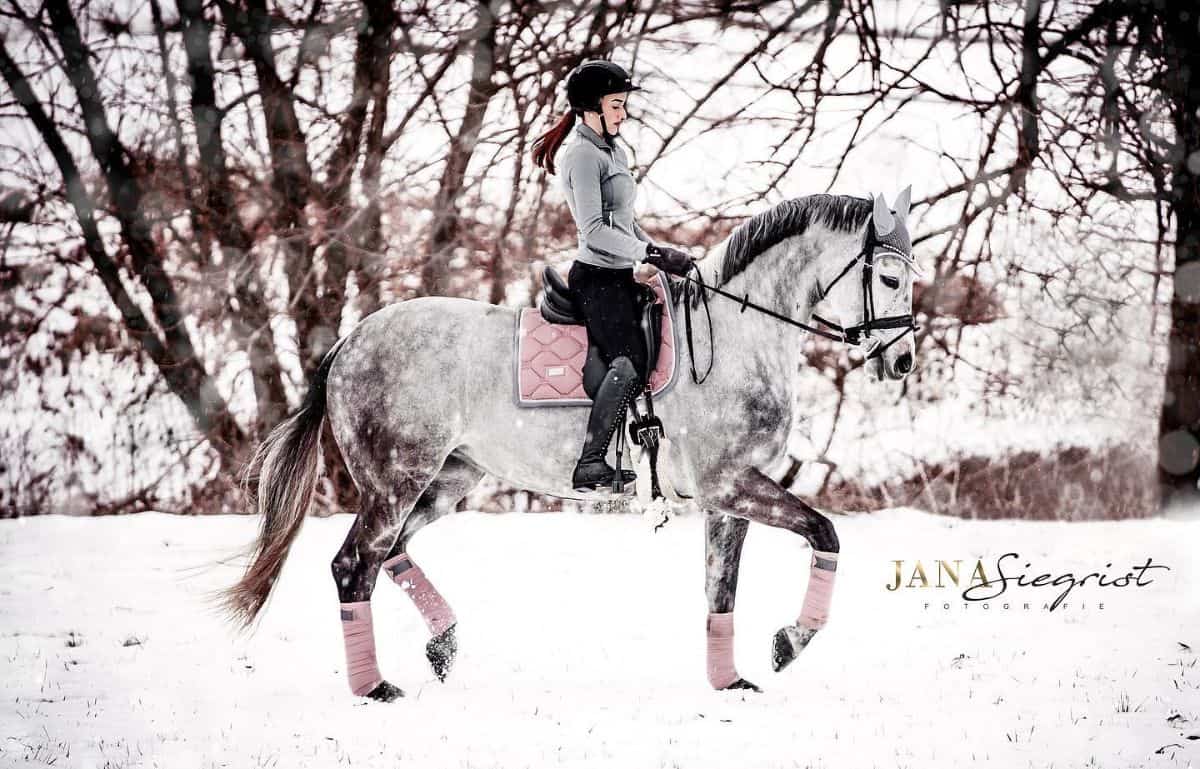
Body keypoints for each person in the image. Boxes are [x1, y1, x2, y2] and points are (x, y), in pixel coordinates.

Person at [531, 60, 695, 492]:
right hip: (596, 278)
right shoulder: (581, 156)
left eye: (624, 105)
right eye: (617, 105)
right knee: (630, 360)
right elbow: (595, 231)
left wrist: (660, 251)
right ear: (592, 108)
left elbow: (624, 222)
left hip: (621, 275)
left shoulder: (612, 151)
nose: (623, 114)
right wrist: (648, 252)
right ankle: (590, 460)